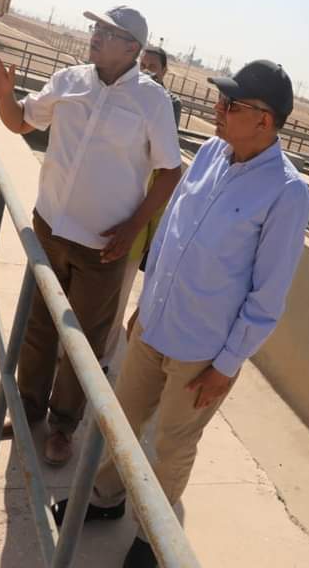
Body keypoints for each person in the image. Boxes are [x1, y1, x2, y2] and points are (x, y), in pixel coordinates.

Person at [52, 60, 309, 568]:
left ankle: (152, 537)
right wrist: (143, 306)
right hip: (154, 326)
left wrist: (227, 364)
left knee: (172, 446)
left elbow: (268, 295)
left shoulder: (287, 193)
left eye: (230, 104)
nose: (217, 109)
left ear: (264, 120)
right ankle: (106, 498)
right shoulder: (212, 153)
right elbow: (172, 231)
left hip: (202, 352)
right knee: (121, 421)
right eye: (221, 100)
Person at [0, 6, 182, 466]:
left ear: (133, 48)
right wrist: (3, 94)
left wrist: (133, 227)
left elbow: (170, 171)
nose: (96, 35)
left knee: (82, 342)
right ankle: (28, 408)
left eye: (108, 31)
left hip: (103, 249)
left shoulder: (152, 102)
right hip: (50, 229)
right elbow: (21, 121)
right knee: (38, 327)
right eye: (96, 27)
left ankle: (63, 426)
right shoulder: (68, 80)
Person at [101, 44, 183, 373]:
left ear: (164, 72)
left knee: (115, 299)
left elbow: (164, 184)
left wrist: (147, 235)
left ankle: (101, 361)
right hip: (102, 219)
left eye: (154, 67)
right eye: (143, 65)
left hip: (133, 232)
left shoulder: (164, 109)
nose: (148, 71)